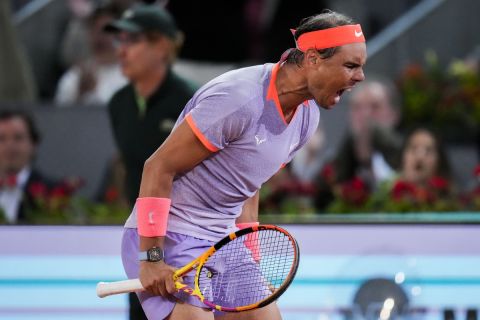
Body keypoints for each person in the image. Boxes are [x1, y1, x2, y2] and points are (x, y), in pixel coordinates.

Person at [121, 9, 366, 320]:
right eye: (350, 65)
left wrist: (248, 249)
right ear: (313, 59)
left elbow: (249, 181)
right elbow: (157, 167)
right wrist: (151, 258)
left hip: (223, 241)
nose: (359, 76)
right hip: (170, 235)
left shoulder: (307, 117)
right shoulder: (238, 99)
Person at [103, 3, 197, 319]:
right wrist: (147, 252)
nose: (121, 51)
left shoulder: (191, 101)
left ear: (162, 46)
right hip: (141, 248)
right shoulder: (118, 104)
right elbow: (126, 166)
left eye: (132, 40)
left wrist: (155, 254)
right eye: (120, 41)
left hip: (186, 246)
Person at [55, 3, 127, 106]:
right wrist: (80, 94)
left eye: (107, 30)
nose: (101, 37)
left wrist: (92, 94)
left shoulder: (132, 77)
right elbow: (58, 117)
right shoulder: (73, 77)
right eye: (95, 30)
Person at [0, 110, 56, 223]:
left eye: (18, 138)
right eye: (1, 139)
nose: (10, 146)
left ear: (34, 145)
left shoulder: (53, 192)